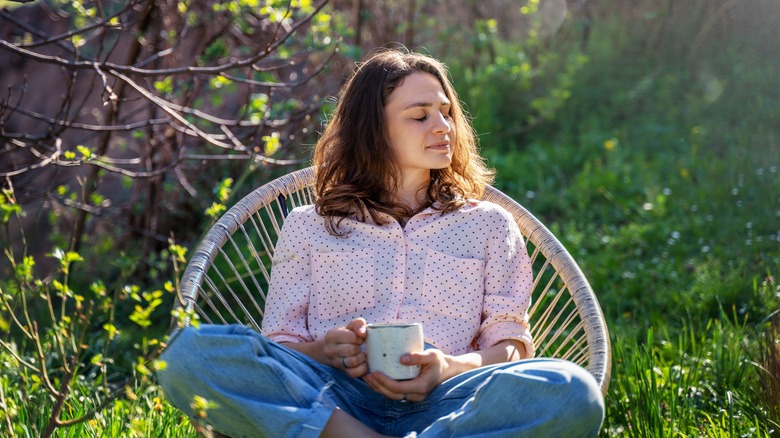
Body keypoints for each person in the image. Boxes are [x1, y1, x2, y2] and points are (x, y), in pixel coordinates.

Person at [158, 49, 604, 437]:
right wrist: (324, 350)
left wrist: (447, 367)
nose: (442, 125)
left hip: (450, 402)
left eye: (446, 112)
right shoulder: (308, 226)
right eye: (420, 115)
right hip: (332, 399)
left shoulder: (489, 224)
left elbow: (511, 346)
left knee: (574, 390)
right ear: (373, 128)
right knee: (186, 354)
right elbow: (280, 346)